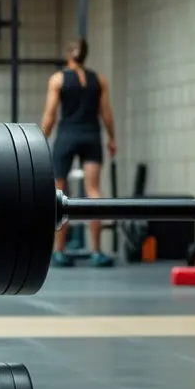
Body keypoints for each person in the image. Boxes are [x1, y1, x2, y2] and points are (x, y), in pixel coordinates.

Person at [41, 39, 117, 268]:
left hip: (67, 136)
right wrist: (112, 139)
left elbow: (50, 115)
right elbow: (107, 115)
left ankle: (59, 250)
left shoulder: (58, 79)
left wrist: (39, 139)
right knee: (94, 190)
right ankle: (96, 250)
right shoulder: (99, 80)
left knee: (59, 192)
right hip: (91, 135)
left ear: (68, 56)